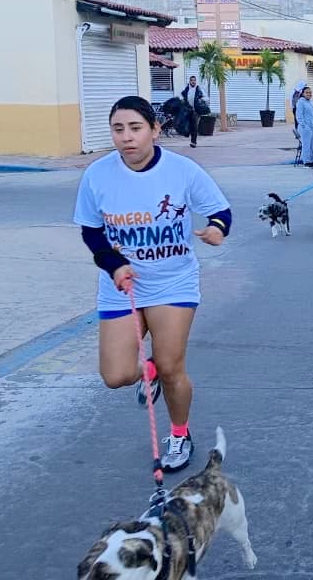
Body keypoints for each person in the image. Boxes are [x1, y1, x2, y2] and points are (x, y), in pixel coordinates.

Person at [73, 95, 232, 472]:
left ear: (155, 130)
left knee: (172, 364)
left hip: (172, 282)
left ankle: (179, 433)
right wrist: (113, 265)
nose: (127, 137)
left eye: (135, 128)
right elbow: (92, 232)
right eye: (118, 129)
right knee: (117, 376)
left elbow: (220, 211)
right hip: (122, 284)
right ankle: (150, 371)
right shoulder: (97, 174)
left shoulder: (182, 170)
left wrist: (215, 230)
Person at [296, 85, 313, 168]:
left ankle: (312, 160)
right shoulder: (300, 102)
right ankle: (306, 162)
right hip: (305, 128)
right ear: (303, 93)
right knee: (306, 145)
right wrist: (305, 127)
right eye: (307, 92)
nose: (309, 94)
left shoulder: (311, 102)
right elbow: (299, 116)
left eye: (310, 92)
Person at [180, 76, 206, 148]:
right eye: (192, 80)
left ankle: (193, 142)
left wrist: (202, 100)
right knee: (188, 125)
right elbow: (181, 96)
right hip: (187, 111)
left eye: (194, 80)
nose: (193, 82)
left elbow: (206, 98)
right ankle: (188, 134)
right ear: (189, 81)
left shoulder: (199, 89)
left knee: (194, 126)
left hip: (195, 111)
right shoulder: (186, 89)